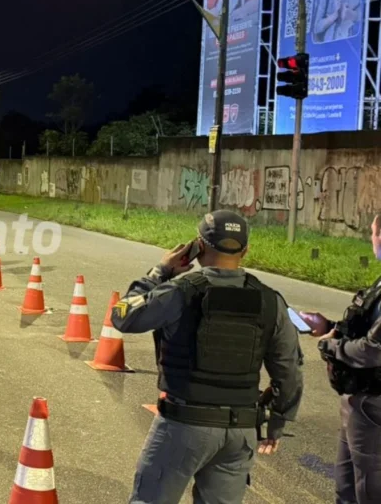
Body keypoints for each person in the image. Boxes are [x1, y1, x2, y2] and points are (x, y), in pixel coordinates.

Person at [111, 210, 303, 504]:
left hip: (183, 426)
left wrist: (160, 272)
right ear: (246, 250)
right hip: (240, 433)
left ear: (198, 246)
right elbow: (289, 370)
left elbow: (123, 316)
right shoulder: (270, 300)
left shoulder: (179, 291)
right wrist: (277, 423)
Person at [299, 214, 381, 504]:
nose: (371, 239)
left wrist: (331, 346)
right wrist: (330, 326)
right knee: (346, 488)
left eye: (372, 232)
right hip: (358, 400)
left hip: (373, 405)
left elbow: (373, 350)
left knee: (369, 490)